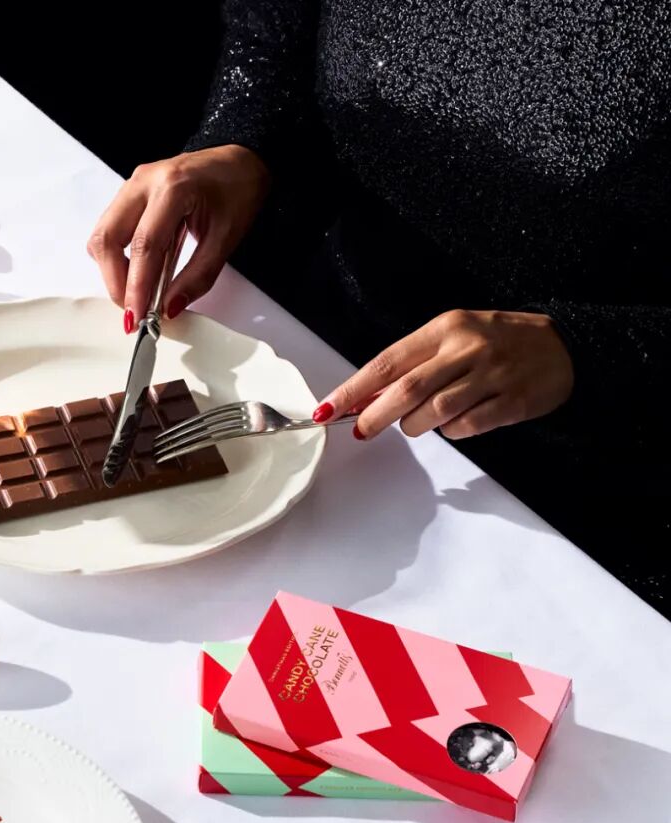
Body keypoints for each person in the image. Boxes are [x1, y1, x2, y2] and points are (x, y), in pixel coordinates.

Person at [87, 2, 670, 611]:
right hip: (308, 340)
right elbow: (273, 32)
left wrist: (586, 351)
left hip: (571, 488)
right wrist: (242, 141)